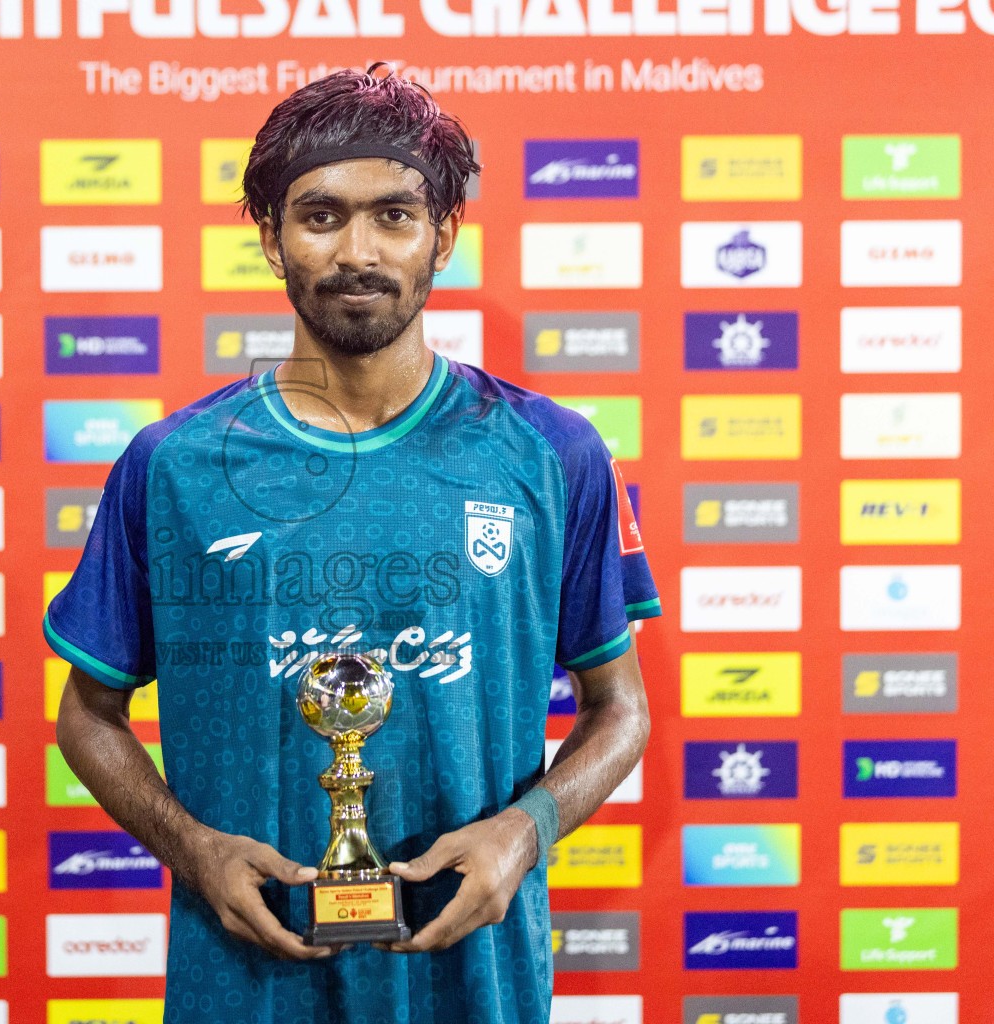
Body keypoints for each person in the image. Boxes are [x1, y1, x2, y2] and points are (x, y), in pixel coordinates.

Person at [45, 63, 660, 1024]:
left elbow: (620, 708)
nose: (357, 251)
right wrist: (194, 850)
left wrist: (525, 831)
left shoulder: (552, 455)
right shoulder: (173, 465)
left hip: (474, 984)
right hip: (242, 986)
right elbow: (87, 712)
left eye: (395, 217)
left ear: (443, 236)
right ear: (270, 237)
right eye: (321, 215)